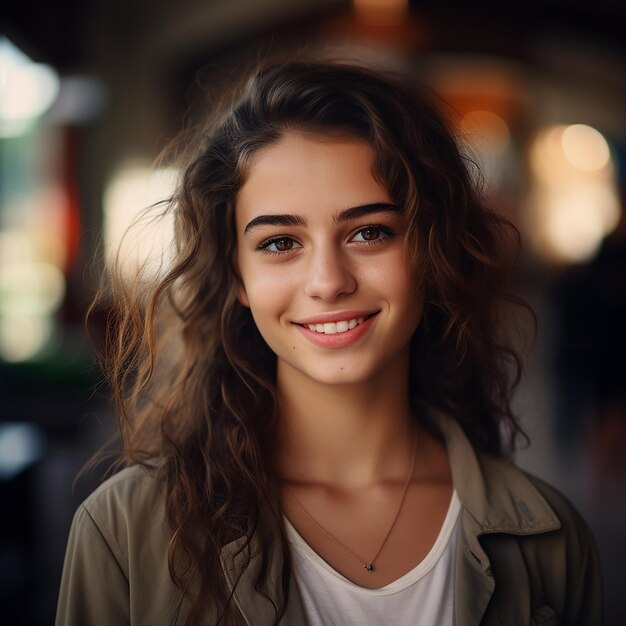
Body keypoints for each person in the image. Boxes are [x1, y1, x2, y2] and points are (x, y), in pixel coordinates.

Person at [56, 61, 602, 626]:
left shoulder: (550, 542)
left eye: (370, 232)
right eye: (280, 242)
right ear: (237, 276)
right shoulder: (123, 532)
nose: (328, 281)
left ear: (431, 253)